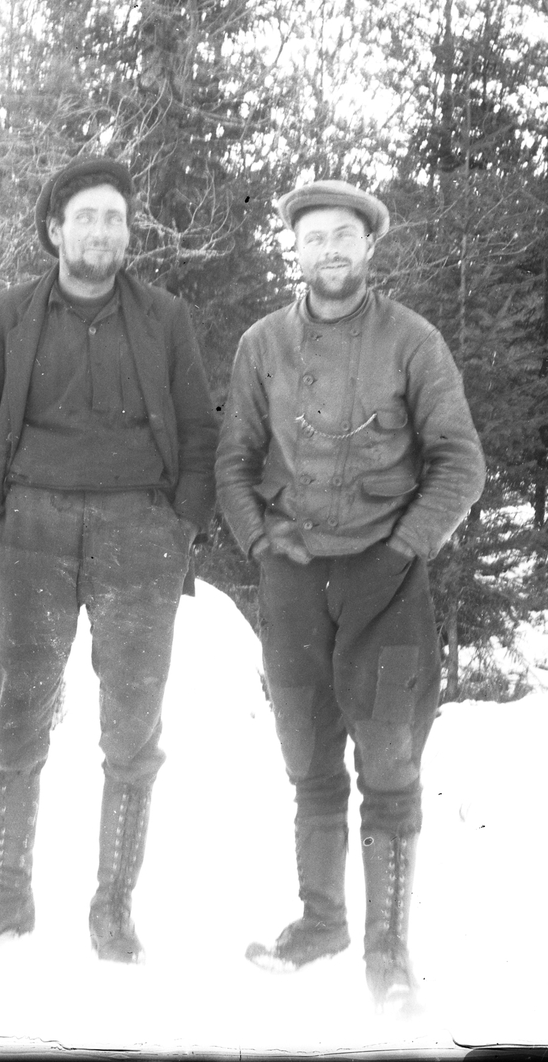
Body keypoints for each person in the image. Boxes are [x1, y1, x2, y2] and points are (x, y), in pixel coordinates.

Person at [0, 156, 218, 963]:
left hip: (140, 538)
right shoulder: (7, 317)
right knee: (18, 717)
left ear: (129, 233)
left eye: (114, 218)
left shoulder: (163, 318)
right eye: (86, 217)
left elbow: (200, 435)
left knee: (132, 729)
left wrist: (177, 533)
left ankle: (113, 907)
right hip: (31, 537)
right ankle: (7, 896)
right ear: (55, 230)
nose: (102, 231)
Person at [216, 179, 485, 1008]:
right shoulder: (262, 345)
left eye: (344, 236)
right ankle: (321, 921)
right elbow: (232, 464)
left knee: (390, 766)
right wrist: (261, 542)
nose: (329, 250)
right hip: (294, 583)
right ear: (294, 250)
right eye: (314, 237)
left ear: (368, 246)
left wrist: (404, 546)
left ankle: (387, 952)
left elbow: (460, 462)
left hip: (386, 584)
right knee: (308, 762)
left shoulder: (413, 341)